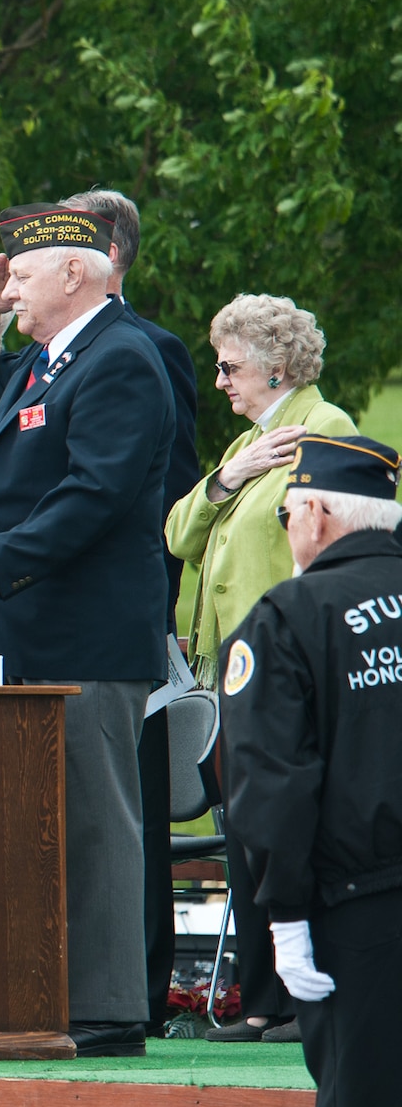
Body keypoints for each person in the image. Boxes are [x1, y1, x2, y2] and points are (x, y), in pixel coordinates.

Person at [0, 204, 174, 1058]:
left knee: (92, 819)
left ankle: (107, 1008)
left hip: (83, 632)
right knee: (36, 818)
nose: (10, 292)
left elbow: (96, 492)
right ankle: (46, 992)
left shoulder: (119, 360)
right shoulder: (52, 360)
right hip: (23, 624)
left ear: (75, 273)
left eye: (23, 278)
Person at [217, 434, 402, 1107]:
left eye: (289, 509)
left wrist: (283, 914)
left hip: (356, 915)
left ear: (318, 513)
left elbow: (271, 785)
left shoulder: (287, 617)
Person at [167, 295, 356, 1043]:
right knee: (244, 834)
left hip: (290, 670)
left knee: (280, 834)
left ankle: (292, 1000)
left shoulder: (327, 428)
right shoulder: (253, 442)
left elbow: (333, 544)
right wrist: (227, 476)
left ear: (277, 366)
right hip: (232, 673)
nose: (219, 380)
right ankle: (263, 998)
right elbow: (180, 532)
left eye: (229, 365)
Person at [64, 188, 204, 1034]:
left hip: (122, 611)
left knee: (128, 804)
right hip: (51, 615)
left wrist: (164, 606)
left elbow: (173, 487)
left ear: (108, 253)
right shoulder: (48, 354)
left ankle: (141, 993)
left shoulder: (147, 349)